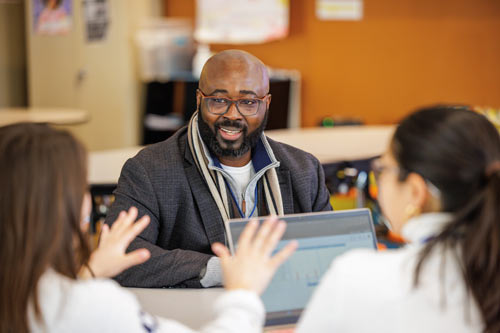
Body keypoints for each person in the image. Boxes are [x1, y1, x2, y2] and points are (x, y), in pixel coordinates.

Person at [0, 123, 297, 333]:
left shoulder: (32, 296)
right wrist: (243, 294)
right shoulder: (91, 305)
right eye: (80, 187)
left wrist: (88, 274)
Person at [104, 49, 332, 288]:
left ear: (267, 103)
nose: (232, 115)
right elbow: (118, 254)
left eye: (248, 102)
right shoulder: (149, 170)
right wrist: (222, 270)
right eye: (219, 100)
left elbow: (331, 250)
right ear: (199, 99)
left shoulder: (304, 170)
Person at [296, 105, 500, 332]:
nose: (379, 181)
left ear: (415, 191)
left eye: (383, 169)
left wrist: (247, 299)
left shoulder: (358, 279)